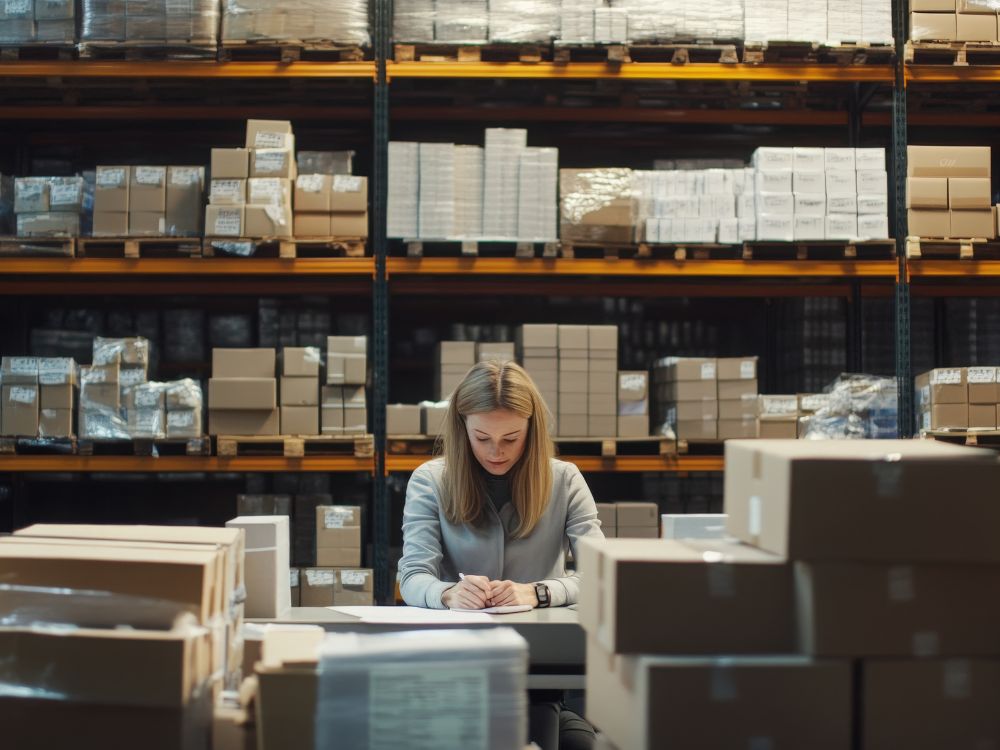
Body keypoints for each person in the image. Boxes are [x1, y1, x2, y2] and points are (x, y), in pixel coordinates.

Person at [399, 359, 603, 750]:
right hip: (456, 671)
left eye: (512, 438)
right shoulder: (430, 479)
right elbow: (412, 575)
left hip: (540, 675)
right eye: (482, 437)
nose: (496, 451)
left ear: (532, 428)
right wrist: (447, 594)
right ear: (462, 429)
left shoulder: (565, 480)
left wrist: (538, 593)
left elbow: (600, 575)